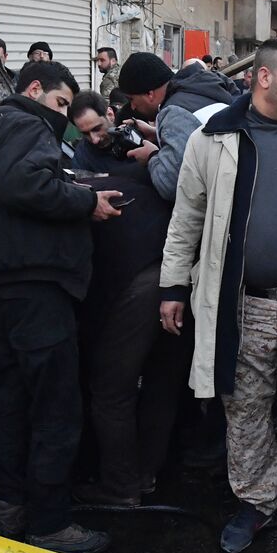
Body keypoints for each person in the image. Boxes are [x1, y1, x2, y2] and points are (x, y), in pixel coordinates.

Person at [159, 38, 277, 553]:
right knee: (243, 409)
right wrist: (174, 287)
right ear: (264, 79)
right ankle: (254, 501)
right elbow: (187, 222)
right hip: (239, 306)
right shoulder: (212, 139)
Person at [0, 60, 121, 553]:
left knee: (11, 404)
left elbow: (11, 190)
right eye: (62, 103)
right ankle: (49, 524)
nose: (64, 116)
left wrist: (78, 191)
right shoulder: (27, 122)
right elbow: (25, 185)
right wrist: (87, 204)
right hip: (35, 288)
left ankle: (9, 509)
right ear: (35, 89)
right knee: (54, 409)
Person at [67, 92, 190, 506]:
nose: (98, 139)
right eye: (87, 134)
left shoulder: (136, 161)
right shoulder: (137, 167)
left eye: (100, 128)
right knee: (160, 379)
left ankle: (121, 488)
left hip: (144, 280)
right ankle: (147, 475)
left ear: (112, 114)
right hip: (175, 275)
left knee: (111, 388)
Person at [148, 53, 237, 200]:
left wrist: (151, 156)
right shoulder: (223, 94)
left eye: (132, 99)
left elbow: (171, 185)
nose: (132, 106)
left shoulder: (174, 110)